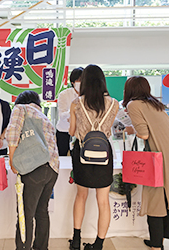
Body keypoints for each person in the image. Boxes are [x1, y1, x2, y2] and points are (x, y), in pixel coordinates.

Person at [122, 76, 169, 250]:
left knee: (156, 200)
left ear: (129, 90)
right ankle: (159, 240)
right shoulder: (155, 104)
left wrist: (130, 129)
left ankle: (155, 245)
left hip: (161, 156)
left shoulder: (133, 105)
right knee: (168, 198)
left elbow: (144, 134)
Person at [68, 64, 118, 250]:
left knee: (81, 196)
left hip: (82, 153)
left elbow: (72, 132)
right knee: (103, 201)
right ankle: (98, 244)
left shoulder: (76, 103)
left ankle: (76, 240)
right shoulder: (114, 104)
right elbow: (107, 131)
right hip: (104, 155)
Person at [6, 90, 59, 250]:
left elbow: (13, 134)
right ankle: (41, 247)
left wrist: (12, 161)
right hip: (52, 169)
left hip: (34, 168)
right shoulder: (45, 118)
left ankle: (23, 248)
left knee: (25, 214)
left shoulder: (21, 109)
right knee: (41, 211)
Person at [56, 67, 83, 156]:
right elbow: (62, 114)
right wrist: (72, 113)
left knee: (80, 157)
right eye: (79, 80)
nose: (81, 82)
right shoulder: (64, 94)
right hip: (64, 130)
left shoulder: (88, 95)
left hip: (81, 131)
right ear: (73, 82)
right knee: (62, 157)